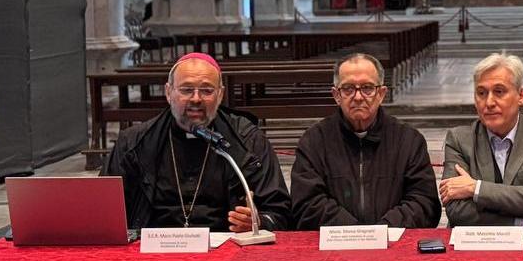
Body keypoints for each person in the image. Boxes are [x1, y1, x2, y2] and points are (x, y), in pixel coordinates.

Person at [102, 52, 292, 232]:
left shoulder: (248, 141)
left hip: (228, 249)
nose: (196, 99)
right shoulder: (134, 143)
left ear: (220, 95)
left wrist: (259, 222)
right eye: (186, 90)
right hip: (152, 253)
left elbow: (280, 212)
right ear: (168, 92)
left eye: (207, 90)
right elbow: (105, 213)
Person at [291, 53, 440, 229]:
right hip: (335, 246)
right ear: (336, 95)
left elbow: (423, 201)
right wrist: (355, 232)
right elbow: (306, 203)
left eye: (367, 88)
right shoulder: (314, 141)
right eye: (348, 88)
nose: (358, 97)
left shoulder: (409, 140)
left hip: (393, 244)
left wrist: (384, 229)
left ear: (381, 93)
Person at [439, 53, 523, 226]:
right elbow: (457, 212)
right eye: (481, 93)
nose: (489, 102)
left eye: (499, 92)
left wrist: (474, 188)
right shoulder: (459, 140)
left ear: (521, 96)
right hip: (474, 245)